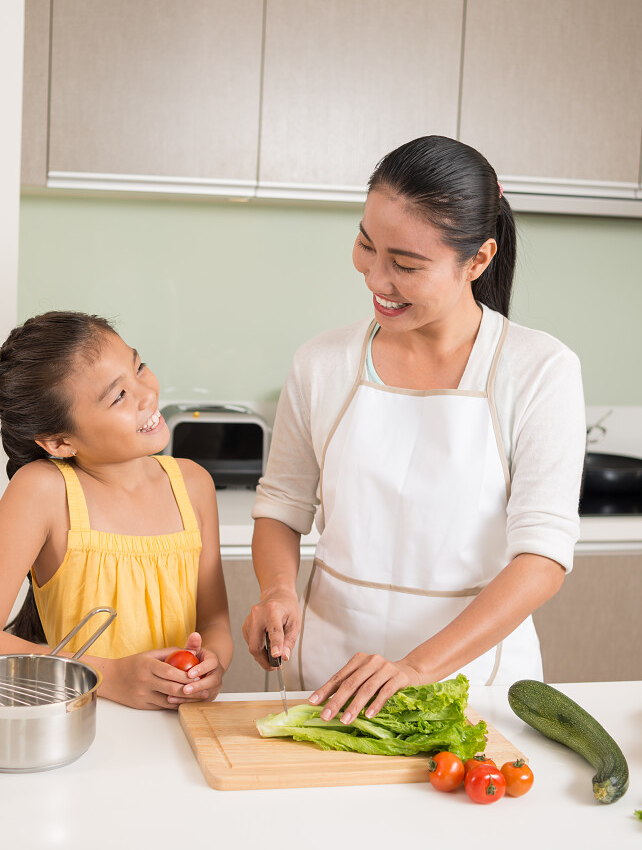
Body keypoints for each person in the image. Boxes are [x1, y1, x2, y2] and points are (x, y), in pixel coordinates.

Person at [243, 135, 585, 725]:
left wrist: (417, 668)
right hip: (332, 680)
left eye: (405, 264)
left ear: (477, 260)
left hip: (473, 686)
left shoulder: (539, 370)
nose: (376, 278)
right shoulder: (322, 363)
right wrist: (277, 589)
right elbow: (281, 506)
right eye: (365, 245)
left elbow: (542, 558)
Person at [0, 311, 232, 710]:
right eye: (118, 395)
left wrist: (212, 664)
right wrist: (109, 675)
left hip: (180, 732)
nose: (147, 394)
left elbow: (215, 623)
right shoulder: (42, 491)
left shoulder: (194, 485)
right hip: (79, 732)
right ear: (59, 442)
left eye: (138, 366)